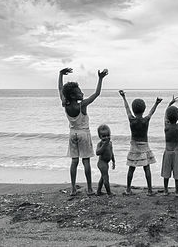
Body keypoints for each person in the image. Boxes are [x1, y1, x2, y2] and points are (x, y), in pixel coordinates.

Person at [58, 67, 108, 196]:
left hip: (72, 134)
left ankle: (73, 188)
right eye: (80, 92)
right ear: (74, 95)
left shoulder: (65, 104)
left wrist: (60, 75)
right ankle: (90, 188)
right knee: (86, 161)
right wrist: (100, 79)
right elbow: (96, 94)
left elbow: (60, 90)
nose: (82, 93)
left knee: (74, 161)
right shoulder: (82, 105)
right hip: (84, 134)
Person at [119, 90, 162, 196]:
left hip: (134, 146)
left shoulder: (131, 120)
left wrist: (124, 97)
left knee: (131, 168)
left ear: (134, 110)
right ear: (144, 109)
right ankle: (150, 190)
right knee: (146, 168)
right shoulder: (145, 120)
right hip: (144, 146)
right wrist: (156, 103)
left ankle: (128, 189)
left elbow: (127, 109)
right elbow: (152, 112)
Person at [96, 124, 115, 196]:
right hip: (102, 163)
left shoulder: (110, 143)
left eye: (108, 135)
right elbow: (97, 152)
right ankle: (109, 193)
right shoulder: (100, 144)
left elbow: (111, 152)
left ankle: (98, 191)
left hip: (106, 163)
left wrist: (113, 161)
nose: (106, 138)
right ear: (100, 136)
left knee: (102, 177)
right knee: (106, 178)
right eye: (103, 136)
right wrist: (104, 145)